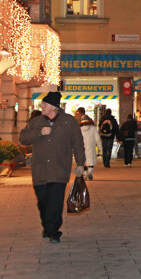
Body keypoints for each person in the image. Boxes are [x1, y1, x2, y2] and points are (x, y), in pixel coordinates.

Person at [19, 91, 86, 243]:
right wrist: (39, 133)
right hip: (40, 171)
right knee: (42, 201)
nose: (41, 106)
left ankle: (53, 231)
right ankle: (47, 226)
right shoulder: (36, 122)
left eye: (44, 104)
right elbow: (22, 138)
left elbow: (78, 143)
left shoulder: (69, 122)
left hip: (59, 169)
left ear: (53, 107)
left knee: (55, 202)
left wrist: (81, 164)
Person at [75, 108, 100, 180]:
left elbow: (76, 136)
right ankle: (90, 171)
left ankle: (85, 173)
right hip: (91, 145)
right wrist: (99, 147)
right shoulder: (92, 126)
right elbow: (97, 137)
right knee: (91, 160)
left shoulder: (79, 126)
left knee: (84, 160)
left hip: (82, 145)